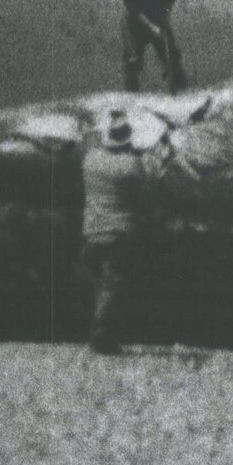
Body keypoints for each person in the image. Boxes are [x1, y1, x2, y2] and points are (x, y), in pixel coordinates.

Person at [79, 109, 156, 355]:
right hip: (118, 233)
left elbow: (89, 142)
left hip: (91, 232)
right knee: (112, 285)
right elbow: (144, 196)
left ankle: (101, 333)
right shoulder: (131, 166)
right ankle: (100, 336)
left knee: (101, 286)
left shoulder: (90, 160)